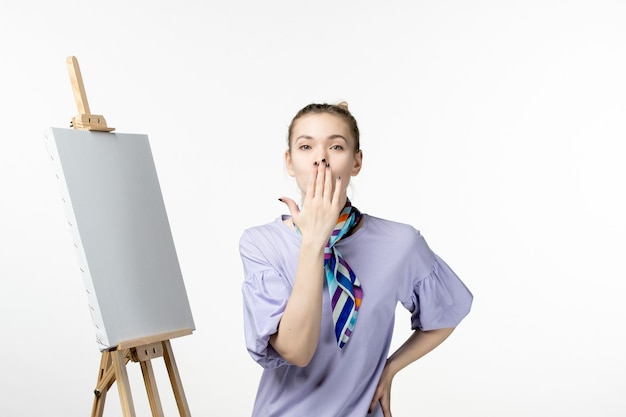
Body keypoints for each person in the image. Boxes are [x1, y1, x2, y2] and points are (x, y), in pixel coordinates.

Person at [239, 102, 473, 417]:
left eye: (336, 146)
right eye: (306, 146)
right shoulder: (262, 243)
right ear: (290, 162)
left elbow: (447, 312)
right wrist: (312, 243)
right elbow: (296, 351)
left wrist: (390, 369)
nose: (320, 158)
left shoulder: (400, 243)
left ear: (356, 161)